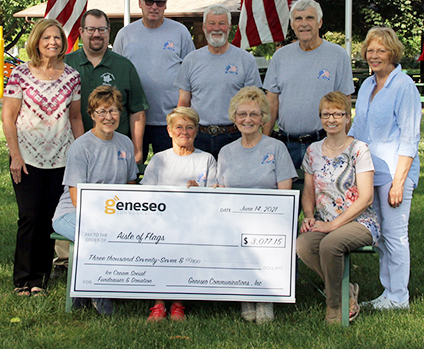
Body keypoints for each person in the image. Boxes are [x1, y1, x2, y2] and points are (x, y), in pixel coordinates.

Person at [1, 18, 83, 297]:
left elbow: (74, 117)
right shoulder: (20, 74)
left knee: (49, 219)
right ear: (37, 41)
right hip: (26, 158)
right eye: (47, 37)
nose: (53, 42)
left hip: (61, 159)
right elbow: (8, 117)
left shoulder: (71, 76)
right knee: (29, 217)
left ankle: (39, 280)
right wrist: (15, 155)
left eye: (57, 38)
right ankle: (21, 279)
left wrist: (80, 152)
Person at [349, 26, 421, 310]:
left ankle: (399, 296)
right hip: (369, 173)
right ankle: (386, 292)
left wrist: (399, 182)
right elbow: (358, 127)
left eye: (381, 50)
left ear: (393, 52)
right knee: (380, 236)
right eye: (370, 50)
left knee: (395, 235)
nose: (374, 55)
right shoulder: (367, 85)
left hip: (394, 173)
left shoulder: (404, 86)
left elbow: (409, 138)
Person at [52, 85, 139, 315]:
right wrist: (105, 220)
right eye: (102, 112)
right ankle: (100, 294)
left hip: (112, 214)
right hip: (72, 213)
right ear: (92, 115)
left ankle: (82, 294)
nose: (108, 117)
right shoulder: (81, 147)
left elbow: (130, 184)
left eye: (113, 111)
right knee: (95, 237)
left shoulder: (125, 144)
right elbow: (76, 197)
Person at [212, 86, 297, 323]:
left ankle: (265, 296)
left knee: (262, 234)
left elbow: (285, 194)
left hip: (269, 219)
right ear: (234, 117)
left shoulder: (276, 148)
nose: (247, 119)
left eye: (254, 114)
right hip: (236, 221)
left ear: (263, 119)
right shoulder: (226, 152)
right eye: (242, 114)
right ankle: (245, 295)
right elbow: (222, 191)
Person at [296, 92, 379, 324]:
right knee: (302, 245)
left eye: (337, 114)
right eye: (326, 114)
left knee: (330, 245)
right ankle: (347, 291)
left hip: (359, 222)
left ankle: (335, 308)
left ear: (347, 118)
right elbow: (309, 192)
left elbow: (366, 198)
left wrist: (333, 225)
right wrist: (310, 216)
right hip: (324, 221)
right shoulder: (313, 151)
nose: (331, 119)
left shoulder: (359, 150)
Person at [140, 106, 216, 322]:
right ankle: (158, 303)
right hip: (160, 223)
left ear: (197, 130)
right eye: (179, 127)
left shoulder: (207, 159)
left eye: (190, 127)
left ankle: (178, 303)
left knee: (186, 243)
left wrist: (198, 193)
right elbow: (146, 196)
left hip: (195, 223)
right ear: (169, 131)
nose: (184, 132)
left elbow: (214, 199)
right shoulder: (159, 160)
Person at [263, 0, 355, 168]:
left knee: (322, 194)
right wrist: (265, 143)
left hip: (324, 143)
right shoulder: (280, 57)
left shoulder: (338, 55)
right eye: (298, 19)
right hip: (285, 144)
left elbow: (345, 104)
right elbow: (272, 103)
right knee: (287, 193)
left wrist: (341, 145)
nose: (304, 24)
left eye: (310, 18)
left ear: (320, 22)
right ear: (292, 24)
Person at [113, 0, 195, 162]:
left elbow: (192, 72)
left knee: (171, 172)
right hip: (133, 119)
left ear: (166, 5)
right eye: (149, 2)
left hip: (170, 121)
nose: (154, 7)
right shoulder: (125, 35)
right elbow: (116, 72)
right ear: (140, 3)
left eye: (160, 2)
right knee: (131, 169)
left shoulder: (180, 32)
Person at [175, 5, 262, 158]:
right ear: (203, 27)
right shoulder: (191, 60)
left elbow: (255, 104)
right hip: (198, 136)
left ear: (229, 27)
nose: (216, 28)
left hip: (235, 135)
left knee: (231, 182)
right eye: (211, 23)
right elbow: (183, 103)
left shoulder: (245, 60)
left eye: (221, 23)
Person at [66, 8, 149, 163]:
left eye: (101, 29)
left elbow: (137, 112)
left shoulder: (124, 66)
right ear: (81, 31)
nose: (96, 34)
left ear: (108, 31)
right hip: (74, 151)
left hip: (116, 152)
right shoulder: (66, 65)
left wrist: (137, 150)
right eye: (90, 29)